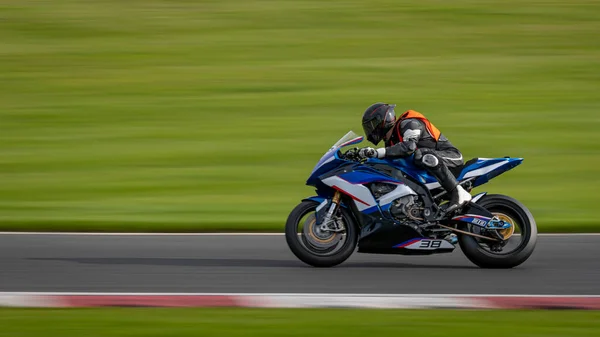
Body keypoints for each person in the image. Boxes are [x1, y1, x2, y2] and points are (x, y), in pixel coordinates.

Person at [359, 102, 471, 212]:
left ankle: (458, 191)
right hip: (429, 169)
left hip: (450, 157)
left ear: (384, 120)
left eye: (372, 124)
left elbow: (409, 147)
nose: (370, 129)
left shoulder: (409, 123)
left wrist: (377, 152)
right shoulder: (391, 142)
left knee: (421, 155)